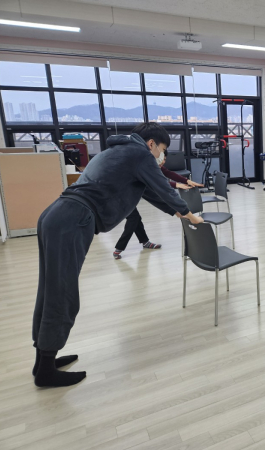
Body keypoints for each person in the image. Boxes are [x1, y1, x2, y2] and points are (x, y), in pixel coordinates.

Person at [32, 122, 203, 388]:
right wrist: (190, 215)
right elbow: (163, 187)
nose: (162, 156)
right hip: (73, 219)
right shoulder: (140, 154)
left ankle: (43, 359)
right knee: (62, 292)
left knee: (50, 288)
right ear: (151, 144)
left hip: (57, 215)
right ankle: (45, 370)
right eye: (162, 149)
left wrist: (177, 212)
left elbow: (149, 191)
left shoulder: (119, 150)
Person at [113, 150, 203, 259]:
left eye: (165, 159)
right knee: (133, 218)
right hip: (119, 192)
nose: (163, 162)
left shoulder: (153, 163)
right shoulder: (145, 166)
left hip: (129, 192)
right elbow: (154, 191)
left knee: (136, 219)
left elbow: (168, 173)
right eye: (162, 159)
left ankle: (145, 242)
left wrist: (186, 181)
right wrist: (175, 210)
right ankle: (118, 248)